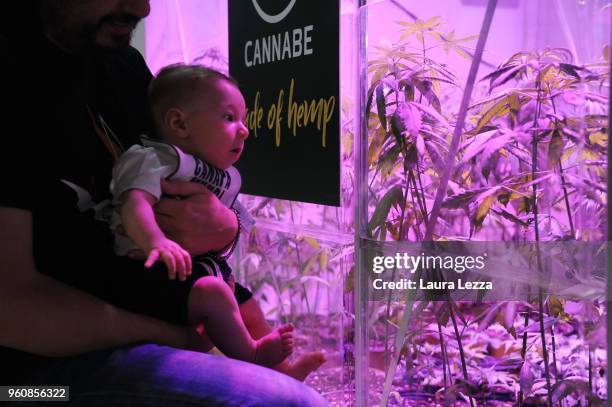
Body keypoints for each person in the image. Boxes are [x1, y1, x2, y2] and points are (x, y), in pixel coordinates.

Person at [0, 1, 328, 405]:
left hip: (149, 304)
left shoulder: (122, 66)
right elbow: (10, 309)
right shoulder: (13, 74)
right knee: (289, 402)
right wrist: (176, 333)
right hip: (27, 383)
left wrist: (226, 226)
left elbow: (206, 201)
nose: (143, 8)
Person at [109, 64, 325, 373]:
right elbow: (135, 203)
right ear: (179, 124)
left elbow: (233, 216)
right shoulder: (151, 160)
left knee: (243, 299)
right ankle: (251, 355)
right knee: (216, 294)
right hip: (151, 271)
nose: (244, 129)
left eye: (244, 118)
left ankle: (284, 371)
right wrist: (156, 241)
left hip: (194, 269)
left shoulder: (209, 171)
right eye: (229, 117)